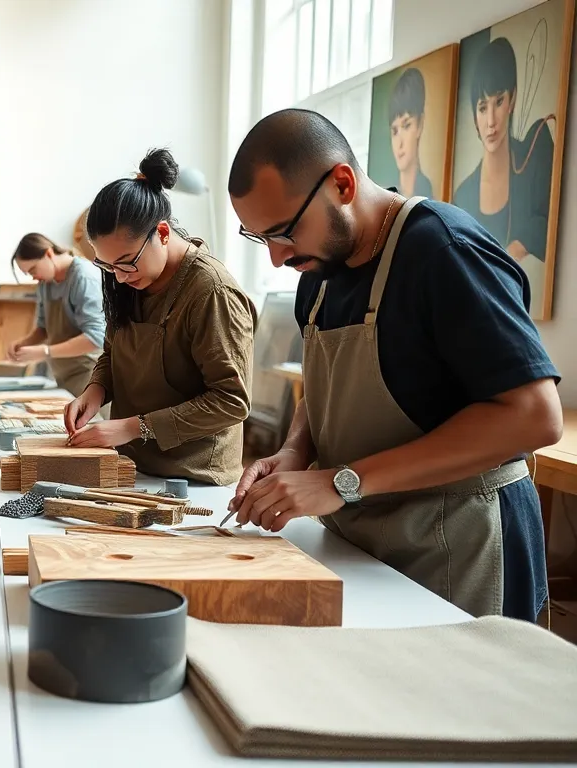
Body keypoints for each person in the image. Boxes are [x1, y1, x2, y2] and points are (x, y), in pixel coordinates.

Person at [226, 107, 561, 623]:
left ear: (342, 183)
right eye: (260, 238)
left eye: (285, 231)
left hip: (461, 546)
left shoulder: (443, 250)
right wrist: (294, 452)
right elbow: (326, 392)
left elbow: (535, 415)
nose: (276, 258)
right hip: (364, 538)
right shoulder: (318, 272)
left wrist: (341, 481)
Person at [64, 148, 257, 486]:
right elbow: (114, 351)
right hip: (132, 463)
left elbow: (231, 400)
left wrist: (131, 427)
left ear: (163, 234)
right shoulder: (126, 276)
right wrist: (95, 390)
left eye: (126, 262)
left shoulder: (210, 291)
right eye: (107, 266)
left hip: (192, 477)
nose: (120, 276)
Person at [451, 36, 555, 290]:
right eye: (482, 107)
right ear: (474, 115)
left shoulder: (535, 151)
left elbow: (547, 224)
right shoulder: (462, 197)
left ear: (513, 99)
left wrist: (516, 249)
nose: (491, 122)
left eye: (499, 101)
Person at [6, 233, 105, 396]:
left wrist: (45, 351)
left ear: (48, 254)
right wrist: (23, 344)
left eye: (33, 269)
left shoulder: (84, 277)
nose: (33, 277)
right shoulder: (45, 284)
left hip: (91, 377)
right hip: (63, 377)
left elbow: (96, 337)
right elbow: (43, 328)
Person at [385, 67, 434, 199]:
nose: (399, 143)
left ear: (420, 124)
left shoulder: (429, 192)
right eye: (394, 131)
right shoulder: (385, 194)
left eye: (406, 126)